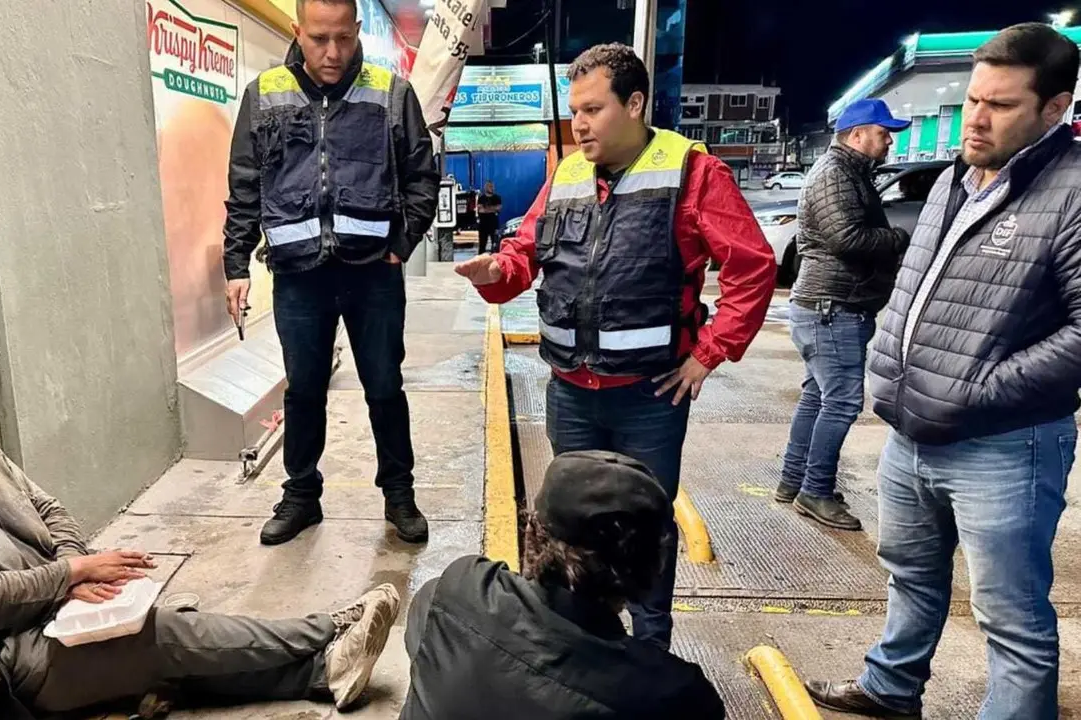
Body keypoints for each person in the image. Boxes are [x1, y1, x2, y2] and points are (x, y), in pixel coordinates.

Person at [0, 359, 401, 719]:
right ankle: (327, 629)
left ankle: (324, 673)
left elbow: (47, 508)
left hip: (48, 612)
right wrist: (69, 577)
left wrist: (70, 570)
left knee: (169, 642)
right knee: (158, 637)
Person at [454, 43, 777, 647]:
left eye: (593, 109)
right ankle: (578, 645)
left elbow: (753, 267)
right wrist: (498, 270)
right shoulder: (567, 174)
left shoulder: (694, 173)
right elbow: (528, 252)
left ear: (635, 104)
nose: (579, 123)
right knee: (570, 525)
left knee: (645, 527)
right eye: (575, 110)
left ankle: (649, 650)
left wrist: (709, 353)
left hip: (649, 398)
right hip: (571, 393)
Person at [806, 24, 1081, 719]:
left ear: (1055, 109)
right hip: (912, 430)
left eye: (1001, 105)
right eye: (973, 99)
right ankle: (891, 689)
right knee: (910, 578)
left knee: (1011, 620)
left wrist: (983, 389)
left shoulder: (1072, 192)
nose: (977, 119)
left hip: (1005, 443)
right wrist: (886, 363)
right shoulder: (956, 180)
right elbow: (914, 285)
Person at [223, 0, 440, 545]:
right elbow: (245, 183)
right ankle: (301, 496)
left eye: (343, 38)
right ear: (298, 31)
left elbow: (421, 175)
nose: (333, 52)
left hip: (373, 273)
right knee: (303, 392)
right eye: (320, 39)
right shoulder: (265, 93)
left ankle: (399, 495)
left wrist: (402, 242)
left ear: (357, 30)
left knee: (385, 388)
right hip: (299, 274)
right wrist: (236, 262)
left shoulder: (390, 92)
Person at [400, 450, 725, 719]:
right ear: (652, 570)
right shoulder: (676, 696)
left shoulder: (458, 589)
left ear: (531, 536)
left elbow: (422, 632)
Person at [775, 98, 913, 531]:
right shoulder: (836, 174)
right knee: (841, 402)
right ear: (857, 135)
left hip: (829, 307)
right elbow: (846, 238)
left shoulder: (847, 172)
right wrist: (897, 238)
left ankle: (794, 481)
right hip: (832, 308)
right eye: (882, 131)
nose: (889, 140)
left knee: (819, 396)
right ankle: (814, 491)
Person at [476, 180, 503, 255]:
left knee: (495, 243)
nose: (491, 188)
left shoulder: (497, 198)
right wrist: (493, 209)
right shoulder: (481, 198)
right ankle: (480, 260)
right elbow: (481, 210)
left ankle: (495, 258)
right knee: (482, 244)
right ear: (485, 188)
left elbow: (499, 207)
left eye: (492, 186)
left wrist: (486, 209)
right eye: (489, 186)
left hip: (493, 224)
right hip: (483, 225)